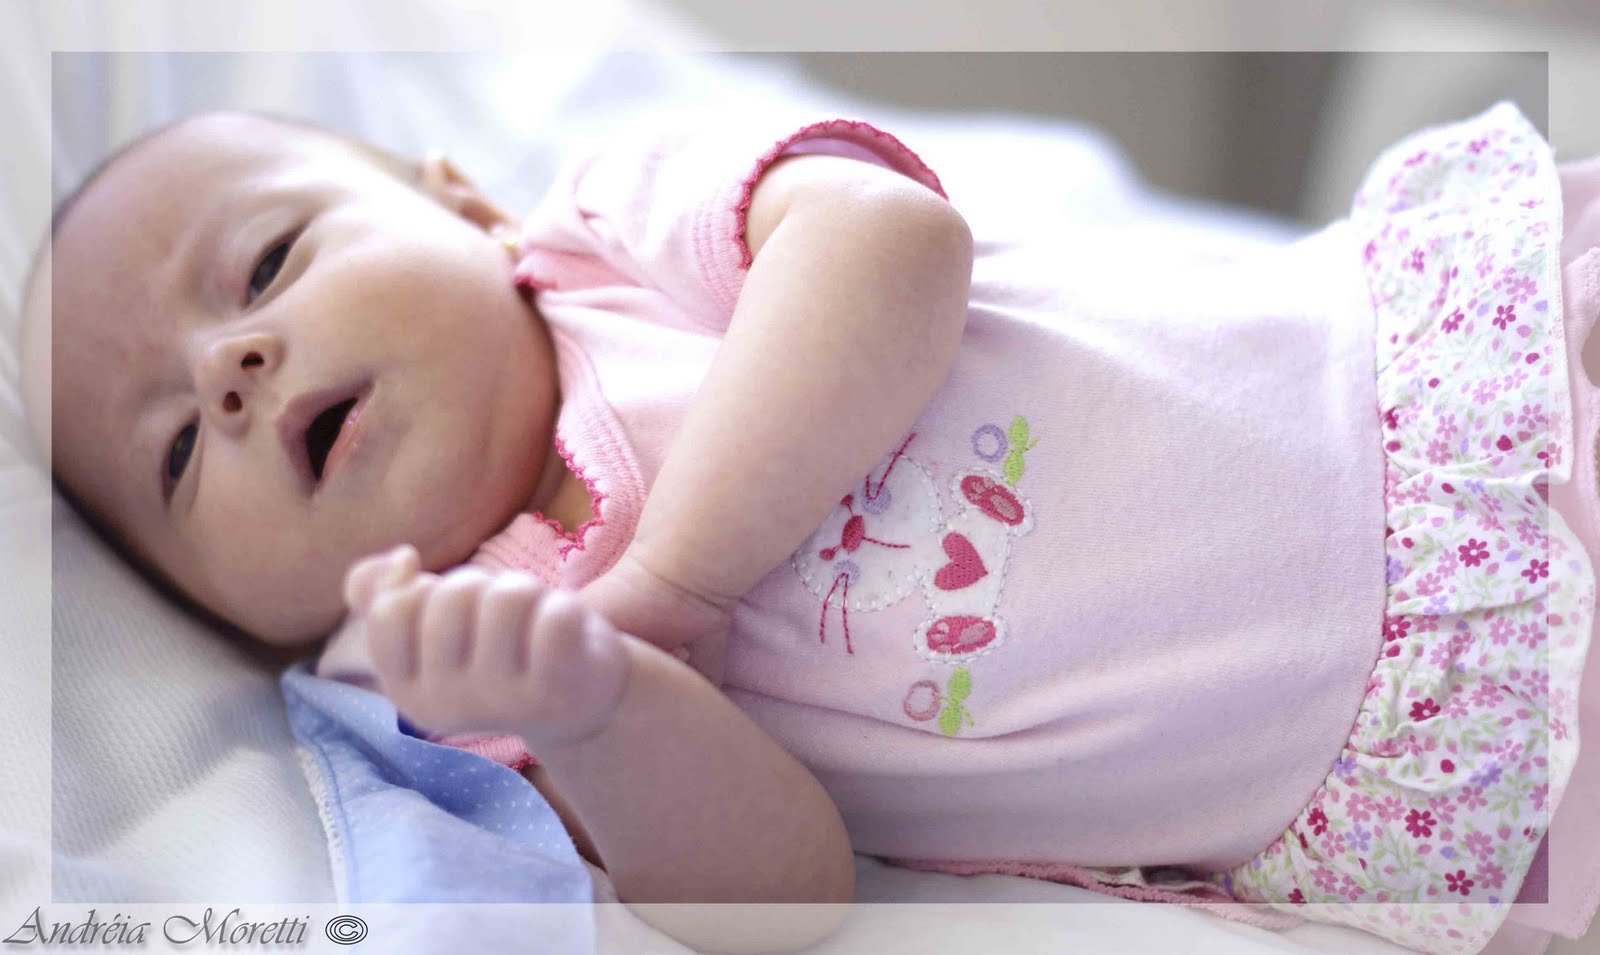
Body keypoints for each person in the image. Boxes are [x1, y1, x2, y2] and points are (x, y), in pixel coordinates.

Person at [25, 101, 1600, 955]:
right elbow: (780, 891)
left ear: (464, 203)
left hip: (1426, 392)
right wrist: (602, 708)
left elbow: (890, 242)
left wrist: (671, 580)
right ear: (236, 616)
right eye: (178, 454)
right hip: (1400, 751)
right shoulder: (460, 682)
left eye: (268, 264)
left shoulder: (610, 235)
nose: (228, 371)